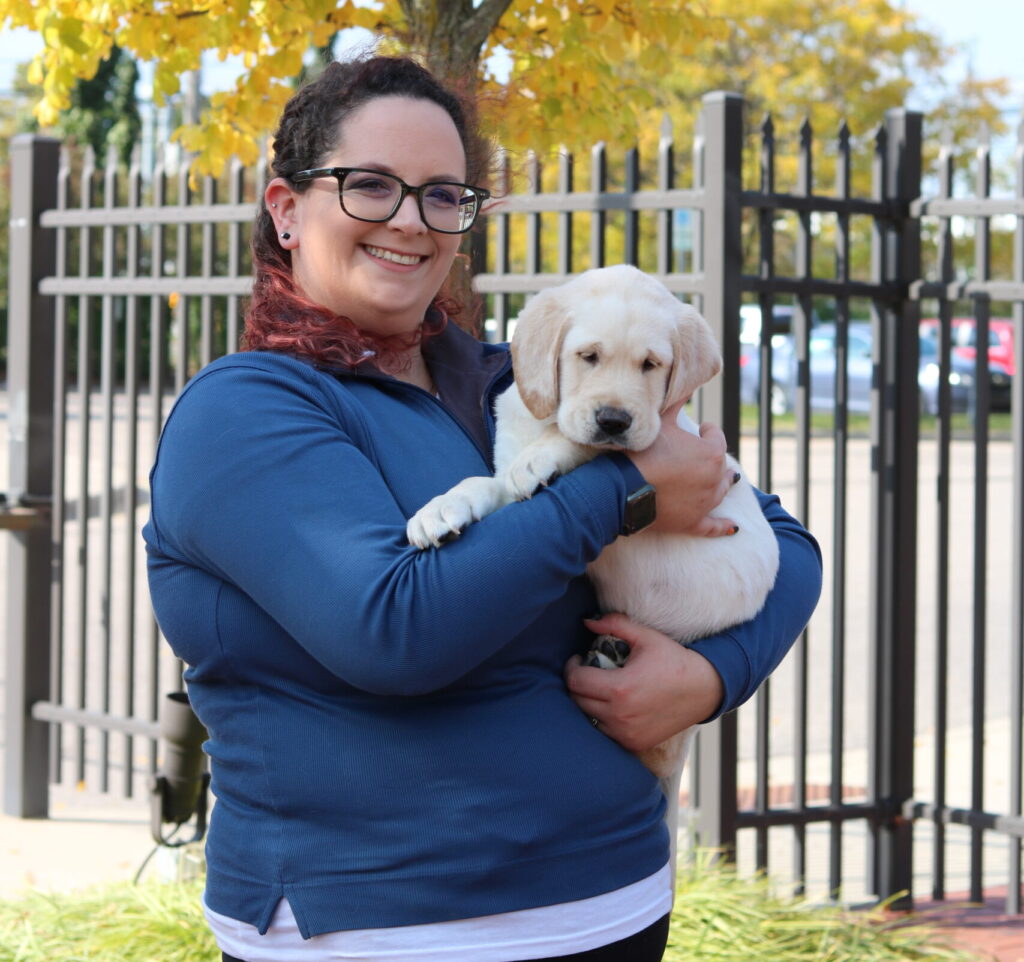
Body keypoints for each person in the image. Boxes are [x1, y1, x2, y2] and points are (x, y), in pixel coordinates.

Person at [143, 55, 822, 962]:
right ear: (286, 209)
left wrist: (709, 677)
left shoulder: (519, 381)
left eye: (442, 196)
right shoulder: (246, 411)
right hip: (376, 930)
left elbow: (784, 543)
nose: (410, 222)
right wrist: (625, 490)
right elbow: (394, 632)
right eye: (370, 186)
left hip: (615, 903)